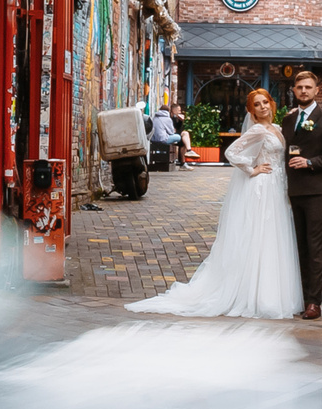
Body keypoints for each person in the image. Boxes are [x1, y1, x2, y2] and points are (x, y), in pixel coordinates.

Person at [126, 88, 302, 319]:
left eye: (265, 102)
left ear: (272, 103)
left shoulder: (277, 129)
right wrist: (252, 169)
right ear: (252, 111)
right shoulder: (258, 130)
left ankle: (273, 292)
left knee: (274, 237)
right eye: (257, 105)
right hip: (264, 187)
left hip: (277, 188)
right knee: (261, 237)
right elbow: (231, 152)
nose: (262, 107)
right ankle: (258, 295)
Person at [281, 70, 322, 321]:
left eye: (309, 87)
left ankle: (313, 302)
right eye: (300, 88)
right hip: (291, 191)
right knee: (297, 246)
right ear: (294, 91)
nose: (304, 91)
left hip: (316, 190)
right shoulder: (288, 120)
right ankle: (299, 296)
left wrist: (310, 163)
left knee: (315, 247)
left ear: (317, 90)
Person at [149, 99, 183, 171]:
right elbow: (171, 132)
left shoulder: (154, 117)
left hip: (153, 139)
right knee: (178, 137)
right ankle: (179, 160)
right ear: (168, 111)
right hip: (163, 139)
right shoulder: (167, 119)